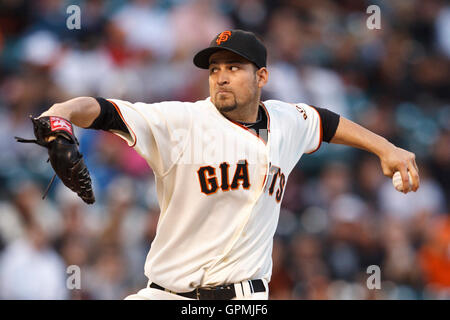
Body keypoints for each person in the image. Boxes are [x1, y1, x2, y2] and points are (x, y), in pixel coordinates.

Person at [37, 30, 420, 300]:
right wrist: (59, 117)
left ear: (262, 77)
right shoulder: (180, 121)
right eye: (215, 68)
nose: (220, 77)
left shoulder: (286, 121)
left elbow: (327, 122)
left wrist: (386, 148)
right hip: (170, 294)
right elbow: (103, 110)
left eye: (234, 68)